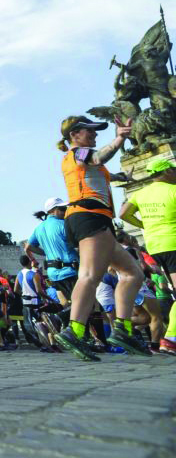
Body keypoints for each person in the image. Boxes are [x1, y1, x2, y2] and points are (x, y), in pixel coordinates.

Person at [54, 115, 149, 358]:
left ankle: (122, 329)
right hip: (88, 217)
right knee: (90, 275)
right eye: (90, 131)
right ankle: (74, 330)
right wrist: (119, 139)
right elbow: (96, 158)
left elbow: (99, 172)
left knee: (132, 274)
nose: (95, 134)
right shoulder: (77, 154)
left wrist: (120, 178)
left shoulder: (83, 159)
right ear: (74, 134)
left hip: (96, 219)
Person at [119, 156, 176, 355]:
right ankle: (170, 339)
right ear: (167, 171)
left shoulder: (141, 194)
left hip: (154, 245)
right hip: (173, 242)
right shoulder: (173, 190)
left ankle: (169, 339)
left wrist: (144, 225)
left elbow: (124, 213)